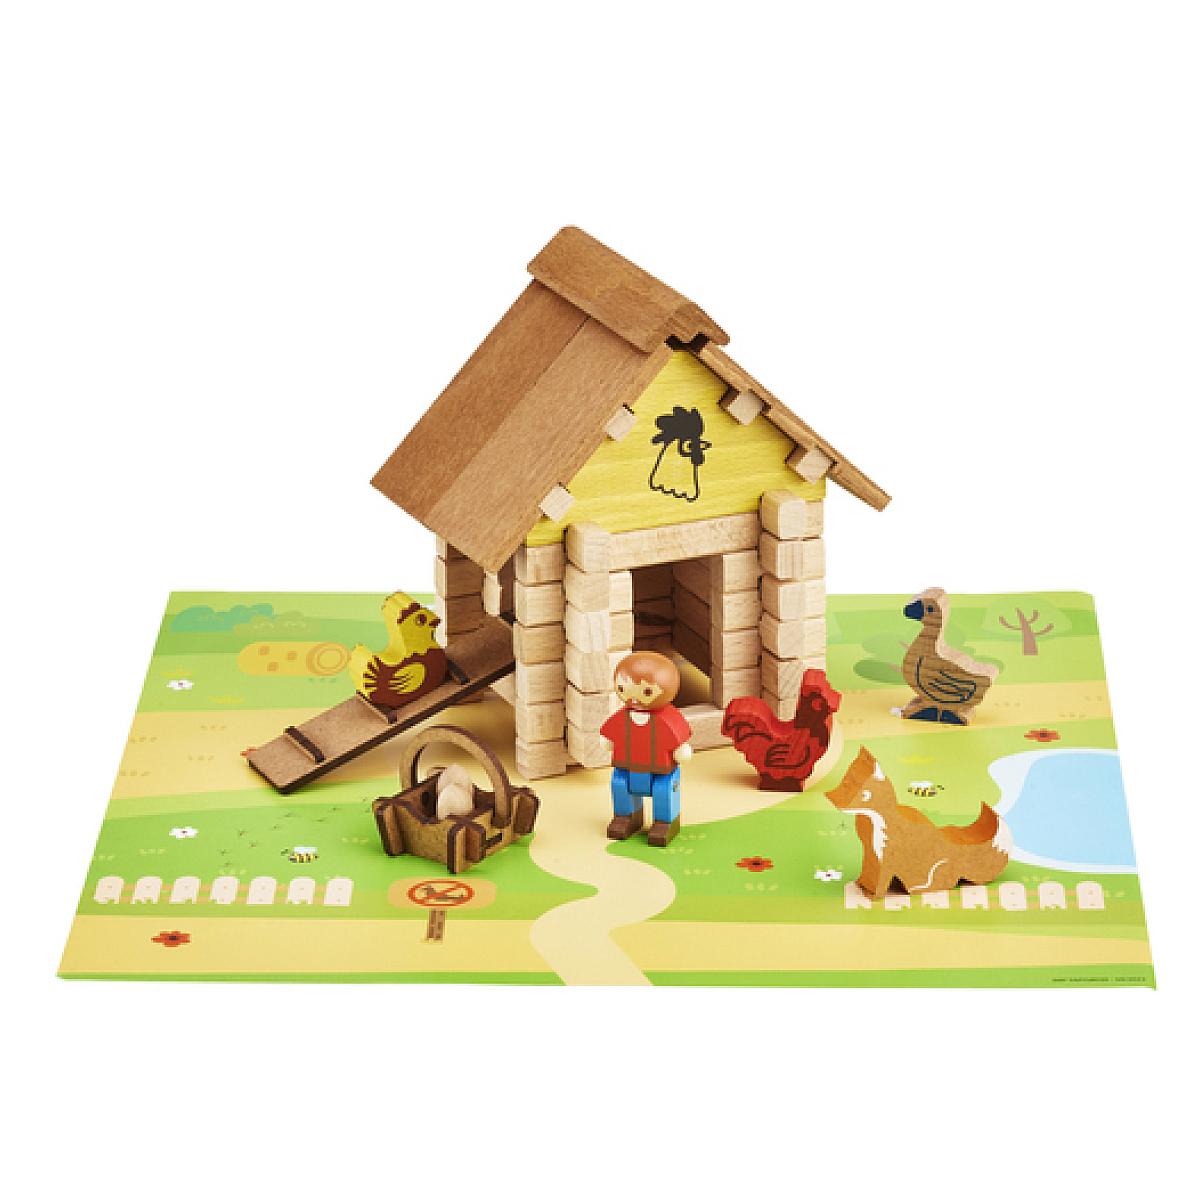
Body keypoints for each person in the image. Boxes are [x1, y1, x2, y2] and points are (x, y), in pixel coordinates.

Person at [599, 650, 693, 847]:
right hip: (627, 768)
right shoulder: (623, 716)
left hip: (661, 772)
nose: (635, 698)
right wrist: (608, 741)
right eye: (624, 688)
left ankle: (665, 822)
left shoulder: (666, 718)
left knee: (663, 791)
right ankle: (625, 817)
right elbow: (610, 733)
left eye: (647, 692)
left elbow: (678, 738)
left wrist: (680, 750)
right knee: (619, 785)